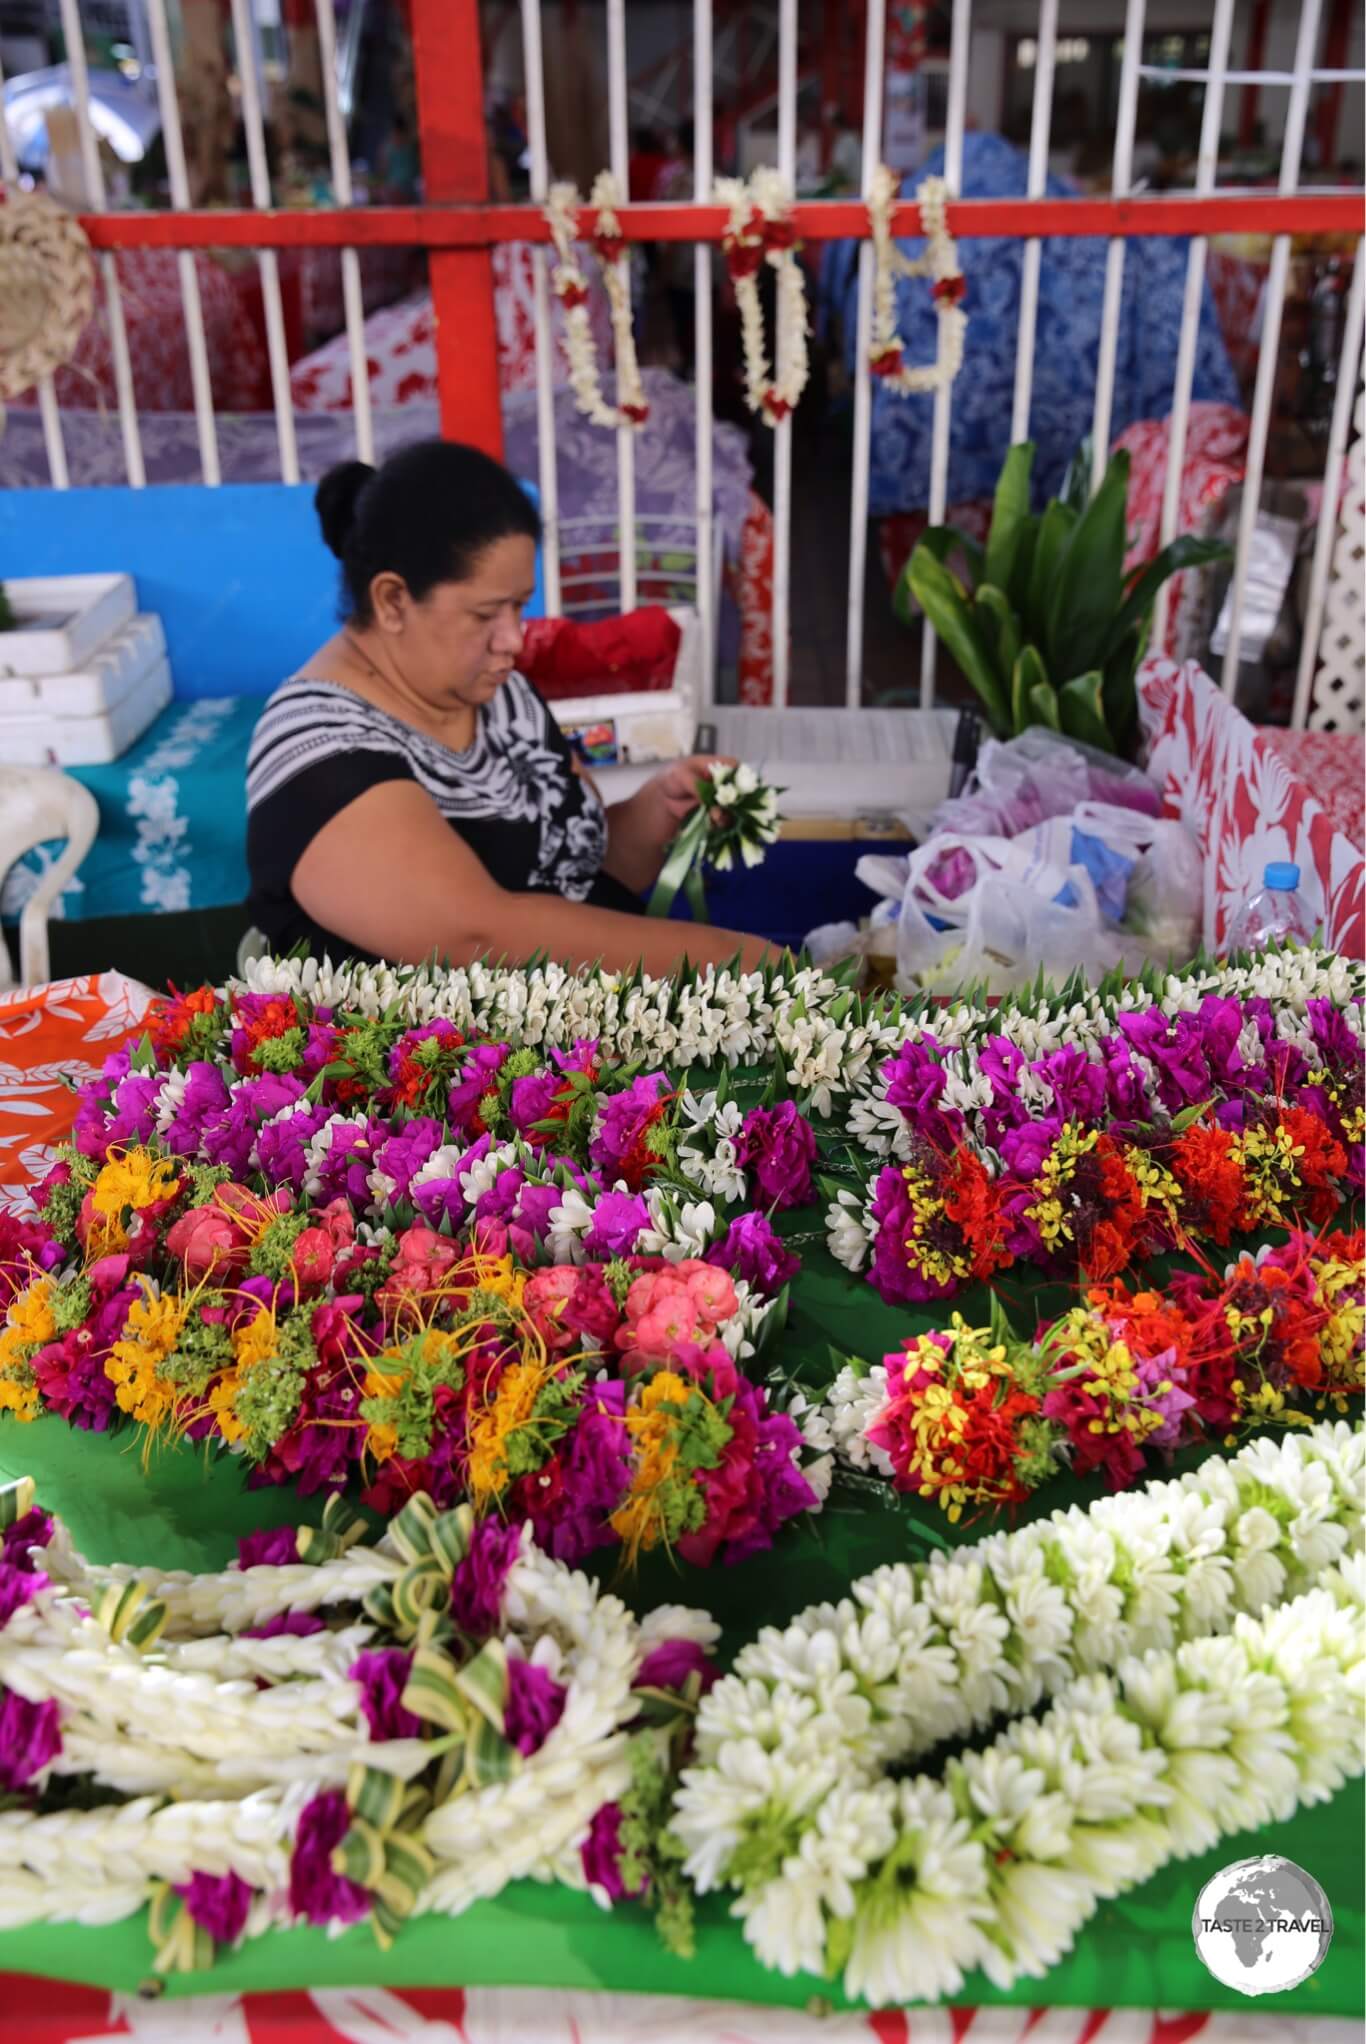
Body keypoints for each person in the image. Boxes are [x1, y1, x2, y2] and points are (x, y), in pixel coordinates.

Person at [246, 441, 772, 975]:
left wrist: (659, 811)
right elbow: (477, 933)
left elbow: (573, 871)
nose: (514, 639)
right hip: (447, 1054)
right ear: (392, 601)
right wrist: (727, 961)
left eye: (519, 606)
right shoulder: (318, 743)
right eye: (485, 614)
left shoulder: (501, 697)